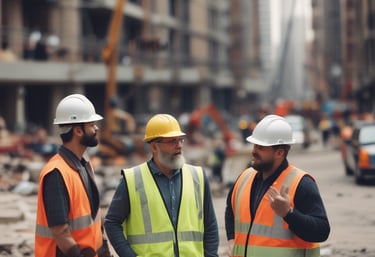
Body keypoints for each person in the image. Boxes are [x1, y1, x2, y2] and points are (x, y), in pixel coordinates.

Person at [104, 113, 219, 257]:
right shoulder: (132, 179)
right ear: (154, 146)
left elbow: (210, 226)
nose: (179, 146)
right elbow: (112, 223)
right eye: (172, 141)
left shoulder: (198, 176)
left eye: (180, 140)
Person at [225, 114, 330, 257]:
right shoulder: (244, 177)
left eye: (261, 147)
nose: (254, 151)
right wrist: (231, 240)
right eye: (254, 145)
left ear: (279, 153)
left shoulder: (302, 183)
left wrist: (289, 214)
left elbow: (322, 231)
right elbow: (231, 211)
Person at [35, 94, 111, 257]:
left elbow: (94, 220)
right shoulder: (56, 173)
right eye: (92, 124)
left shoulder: (84, 164)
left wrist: (104, 250)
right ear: (78, 130)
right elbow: (60, 232)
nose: (96, 128)